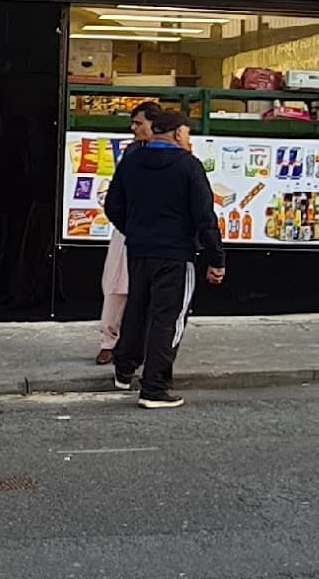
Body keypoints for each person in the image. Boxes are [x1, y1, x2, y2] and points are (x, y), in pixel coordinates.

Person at [103, 111, 225, 409]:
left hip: (140, 248)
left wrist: (134, 230)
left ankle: (124, 368)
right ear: (174, 133)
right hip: (175, 253)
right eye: (186, 133)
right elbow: (204, 216)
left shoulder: (131, 161)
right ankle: (154, 387)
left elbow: (112, 205)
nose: (188, 139)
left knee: (138, 306)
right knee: (168, 318)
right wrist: (215, 257)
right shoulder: (188, 166)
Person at [96, 101, 163, 365]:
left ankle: (140, 342)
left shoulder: (171, 154)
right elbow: (117, 194)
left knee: (147, 288)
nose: (133, 128)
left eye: (139, 123)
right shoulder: (132, 154)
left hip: (155, 230)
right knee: (115, 285)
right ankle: (108, 340)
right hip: (129, 227)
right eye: (133, 123)